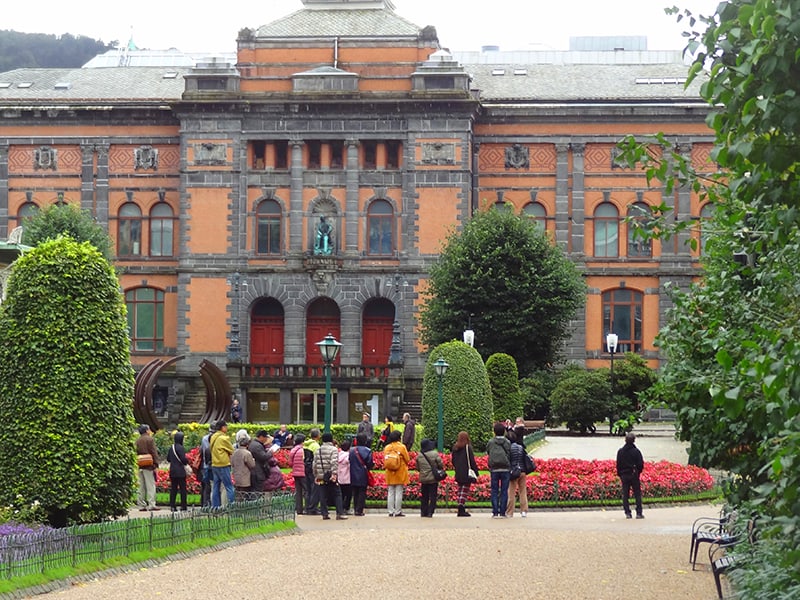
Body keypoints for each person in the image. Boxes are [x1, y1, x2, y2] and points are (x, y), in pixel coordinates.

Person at [312, 433, 347, 520]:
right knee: (337, 493)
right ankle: (340, 513)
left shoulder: (318, 450)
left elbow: (314, 464)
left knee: (322, 494)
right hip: (330, 475)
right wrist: (334, 474)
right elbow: (334, 462)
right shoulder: (333, 449)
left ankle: (324, 513)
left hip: (321, 475)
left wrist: (316, 475)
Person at [616, 432, 645, 519]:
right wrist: (638, 472)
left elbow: (618, 464)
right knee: (637, 494)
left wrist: (620, 474)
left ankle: (627, 512)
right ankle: (639, 513)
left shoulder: (620, 451)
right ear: (634, 441)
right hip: (633, 474)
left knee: (625, 494)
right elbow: (640, 464)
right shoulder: (636, 451)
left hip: (624, 475)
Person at [486, 421, 512, 518]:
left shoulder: (491, 442)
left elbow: (488, 452)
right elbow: (509, 453)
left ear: (494, 432)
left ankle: (495, 511)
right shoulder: (507, 442)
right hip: (505, 468)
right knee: (504, 491)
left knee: (494, 490)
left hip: (494, 468)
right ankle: (502, 512)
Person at [451, 430, 479, 517]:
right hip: (466, 472)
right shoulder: (467, 447)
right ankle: (461, 507)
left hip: (459, 472)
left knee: (460, 490)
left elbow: (453, 460)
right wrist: (476, 472)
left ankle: (460, 506)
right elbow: (471, 461)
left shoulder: (455, 448)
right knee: (465, 490)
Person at [383, 430, 410, 517]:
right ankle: (398, 511)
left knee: (390, 492)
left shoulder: (387, 447)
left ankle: (390, 511)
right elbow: (407, 459)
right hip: (400, 471)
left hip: (390, 472)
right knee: (399, 492)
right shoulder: (402, 447)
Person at [210, 420, 235, 508]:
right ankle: (231, 506)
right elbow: (232, 450)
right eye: (226, 426)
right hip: (223, 464)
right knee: (229, 487)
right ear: (223, 427)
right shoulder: (224, 438)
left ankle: (215, 507)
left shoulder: (213, 436)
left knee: (216, 486)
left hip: (215, 464)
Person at [135, 424, 159, 511]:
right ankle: (151, 504)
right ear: (146, 430)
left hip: (140, 464)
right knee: (150, 485)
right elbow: (153, 452)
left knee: (141, 486)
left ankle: (141, 505)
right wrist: (156, 464)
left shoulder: (138, 440)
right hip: (149, 465)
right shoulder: (150, 439)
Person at [417, 438, 444, 517]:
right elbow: (440, 465)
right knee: (432, 496)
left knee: (424, 496)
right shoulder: (434, 454)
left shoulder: (420, 455)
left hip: (424, 478)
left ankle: (423, 511)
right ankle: (430, 512)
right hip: (433, 478)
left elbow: (418, 468)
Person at [349, 432, 374, 516]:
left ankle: (355, 508)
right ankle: (359, 510)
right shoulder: (367, 451)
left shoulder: (351, 450)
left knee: (355, 492)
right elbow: (370, 463)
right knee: (362, 492)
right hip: (363, 474)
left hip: (352, 473)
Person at [506, 427, 529, 518]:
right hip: (522, 471)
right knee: (522, 491)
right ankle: (524, 511)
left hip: (513, 471)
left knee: (511, 492)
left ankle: (510, 512)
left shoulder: (508, 449)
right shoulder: (520, 447)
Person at [166, 430, 190, 512]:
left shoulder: (171, 447)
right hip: (180, 471)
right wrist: (187, 461)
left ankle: (172, 506)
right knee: (183, 489)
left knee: (173, 489)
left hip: (173, 471)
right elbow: (183, 459)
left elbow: (168, 459)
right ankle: (183, 506)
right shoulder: (181, 448)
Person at [231, 430, 255, 501]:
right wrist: (253, 460)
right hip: (245, 476)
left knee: (238, 493)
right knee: (244, 493)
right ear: (247, 445)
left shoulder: (234, 452)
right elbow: (252, 465)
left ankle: (238, 506)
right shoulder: (247, 453)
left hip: (236, 475)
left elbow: (232, 463)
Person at [303, 428, 322, 515]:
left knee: (308, 489)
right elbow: (317, 459)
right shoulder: (316, 446)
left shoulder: (305, 445)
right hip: (313, 468)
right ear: (318, 436)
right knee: (315, 489)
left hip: (306, 468)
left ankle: (307, 507)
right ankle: (313, 508)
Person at [199, 422, 216, 507]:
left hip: (205, 466)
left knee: (206, 486)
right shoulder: (217, 438)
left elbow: (201, 450)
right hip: (215, 465)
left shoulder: (204, 438)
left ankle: (205, 504)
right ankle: (213, 505)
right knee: (214, 486)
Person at [289, 434, 307, 514]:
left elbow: (290, 463)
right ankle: (307, 508)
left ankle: (299, 509)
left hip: (296, 473)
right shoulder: (303, 450)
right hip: (303, 473)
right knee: (307, 490)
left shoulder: (293, 450)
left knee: (298, 491)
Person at [337, 439, 352, 514]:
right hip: (347, 478)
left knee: (341, 494)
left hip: (339, 478)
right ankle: (346, 508)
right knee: (348, 495)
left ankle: (340, 508)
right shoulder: (348, 456)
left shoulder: (338, 455)